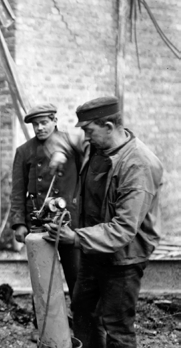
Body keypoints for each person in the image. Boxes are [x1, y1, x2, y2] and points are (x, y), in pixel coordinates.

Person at [44, 96, 163, 348]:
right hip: (92, 252)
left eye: (89, 130)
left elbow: (123, 229)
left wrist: (75, 238)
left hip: (123, 259)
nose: (85, 137)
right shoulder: (97, 146)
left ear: (109, 127)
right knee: (83, 313)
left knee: (116, 325)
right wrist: (59, 153)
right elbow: (67, 141)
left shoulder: (138, 165)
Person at [9, 104, 81, 299]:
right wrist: (19, 223)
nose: (40, 128)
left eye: (44, 123)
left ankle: (81, 322)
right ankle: (46, 324)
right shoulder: (24, 151)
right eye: (36, 125)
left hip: (69, 222)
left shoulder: (71, 143)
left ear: (54, 121)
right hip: (38, 223)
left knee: (77, 277)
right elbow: (17, 190)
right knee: (42, 279)